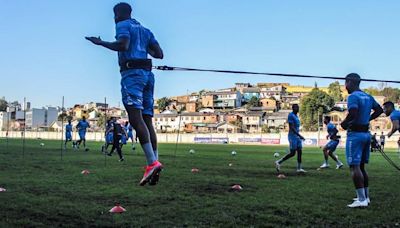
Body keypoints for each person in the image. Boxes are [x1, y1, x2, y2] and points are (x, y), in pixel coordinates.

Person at [86, 2, 164, 186]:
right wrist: (144, 49)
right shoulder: (145, 30)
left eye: (115, 15)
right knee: (147, 121)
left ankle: (152, 163)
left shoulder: (122, 24)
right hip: (148, 76)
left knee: (135, 118)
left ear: (118, 14)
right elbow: (159, 53)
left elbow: (123, 44)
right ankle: (154, 162)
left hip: (132, 76)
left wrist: (100, 43)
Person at [340, 73, 383, 208]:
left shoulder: (353, 96)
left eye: (345, 83)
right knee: (362, 167)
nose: (345, 86)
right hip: (366, 134)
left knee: (354, 167)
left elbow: (353, 112)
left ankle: (361, 199)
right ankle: (366, 197)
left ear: (350, 83)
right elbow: (379, 110)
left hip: (355, 135)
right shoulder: (368, 96)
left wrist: (344, 124)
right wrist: (367, 120)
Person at [275, 104, 306, 173]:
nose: (298, 109)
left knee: (300, 151)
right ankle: (278, 162)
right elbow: (291, 128)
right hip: (292, 136)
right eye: (296, 107)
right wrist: (300, 135)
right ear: (293, 108)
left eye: (298, 107)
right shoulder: (291, 115)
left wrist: (299, 135)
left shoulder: (296, 116)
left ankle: (299, 168)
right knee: (292, 153)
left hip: (297, 136)